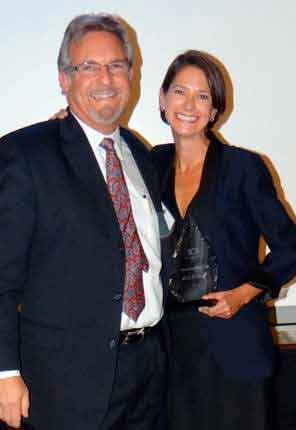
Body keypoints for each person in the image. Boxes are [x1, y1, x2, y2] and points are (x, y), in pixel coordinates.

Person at [0, 14, 169, 430]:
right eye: (88, 66)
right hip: (64, 383)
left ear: (131, 75)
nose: (105, 78)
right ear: (64, 78)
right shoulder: (26, 155)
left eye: (115, 65)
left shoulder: (140, 154)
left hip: (148, 370)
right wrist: (5, 372)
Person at [150, 50, 296, 430]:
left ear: (214, 109)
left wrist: (244, 294)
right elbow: (103, 155)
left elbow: (289, 246)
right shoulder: (149, 164)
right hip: (172, 350)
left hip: (236, 346)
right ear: (162, 98)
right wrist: (67, 123)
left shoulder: (243, 168)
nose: (189, 105)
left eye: (202, 96)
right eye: (180, 91)